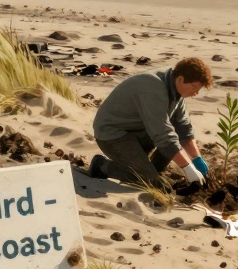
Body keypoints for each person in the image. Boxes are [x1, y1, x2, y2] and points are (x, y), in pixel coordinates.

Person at [88, 57, 213, 188]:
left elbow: (183, 128)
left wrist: (197, 160)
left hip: (138, 131)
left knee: (173, 135)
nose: (195, 93)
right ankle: (102, 166)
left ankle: (153, 170)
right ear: (180, 79)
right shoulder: (153, 88)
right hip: (112, 135)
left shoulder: (176, 89)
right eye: (193, 87)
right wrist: (188, 168)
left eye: (198, 89)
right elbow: (163, 136)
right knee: (147, 181)